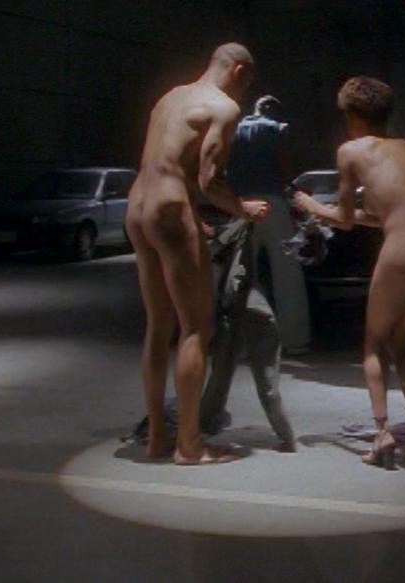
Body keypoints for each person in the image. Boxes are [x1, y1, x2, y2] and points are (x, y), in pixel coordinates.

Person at [292, 76, 405, 470]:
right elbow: (383, 216)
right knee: (400, 341)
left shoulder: (350, 151)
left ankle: (382, 434)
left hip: (404, 251)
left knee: (373, 345)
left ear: (351, 115)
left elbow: (346, 220)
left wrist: (310, 205)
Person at [124, 43, 270, 464]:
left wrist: (193, 220)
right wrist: (243, 208)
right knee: (196, 329)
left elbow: (166, 162)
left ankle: (157, 437)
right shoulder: (223, 107)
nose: (243, 93)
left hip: (138, 205)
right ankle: (189, 444)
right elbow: (209, 181)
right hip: (170, 206)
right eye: (246, 84)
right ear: (238, 71)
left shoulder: (170, 97)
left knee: (158, 326)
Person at [199, 217, 297, 452]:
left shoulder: (244, 224)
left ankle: (203, 426)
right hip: (243, 305)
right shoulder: (242, 225)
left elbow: (222, 243)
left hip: (242, 304)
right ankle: (285, 436)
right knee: (248, 374)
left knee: (227, 370)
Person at [227, 96, 312, 353]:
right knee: (287, 274)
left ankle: (239, 341)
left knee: (240, 274)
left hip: (241, 204)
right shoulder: (278, 129)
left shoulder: (234, 130)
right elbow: (282, 170)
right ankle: (294, 339)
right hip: (273, 203)